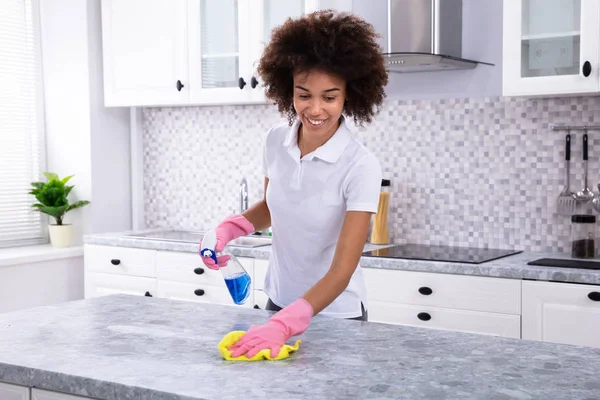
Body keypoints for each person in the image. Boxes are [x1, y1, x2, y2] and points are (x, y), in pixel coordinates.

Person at [200, 9, 388, 359]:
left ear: (349, 96)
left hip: (336, 314)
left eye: (329, 97)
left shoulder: (360, 165)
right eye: (304, 95)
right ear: (289, 91)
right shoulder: (275, 141)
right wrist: (231, 227)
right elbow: (274, 204)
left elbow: (343, 269)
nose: (315, 109)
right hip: (278, 303)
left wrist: (288, 324)